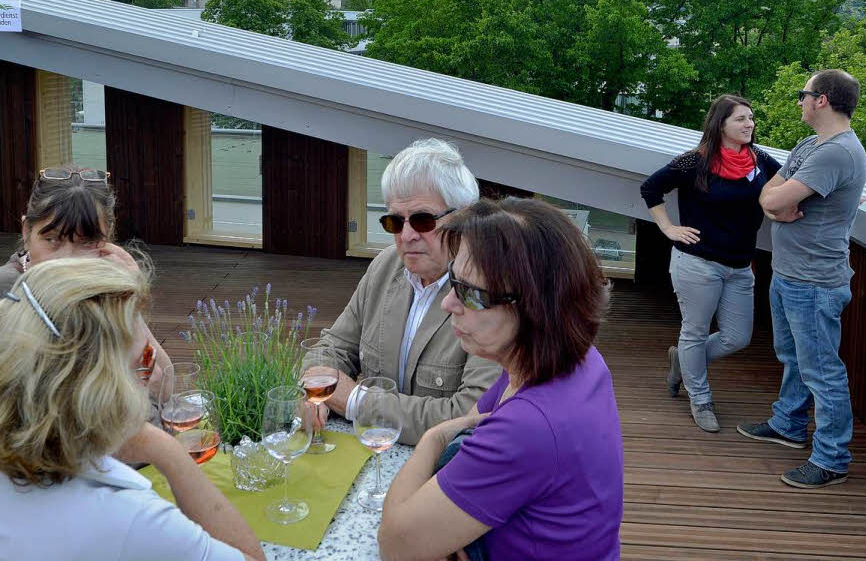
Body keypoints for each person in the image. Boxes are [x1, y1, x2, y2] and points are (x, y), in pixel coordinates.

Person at [378, 198, 623, 561]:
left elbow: (396, 545)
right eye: (452, 282)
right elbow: (477, 424)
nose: (447, 304)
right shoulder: (572, 361)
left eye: (469, 293)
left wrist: (431, 438)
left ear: (535, 308)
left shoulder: (530, 424)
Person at [0, 257, 265, 561]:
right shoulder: (127, 518)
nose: (153, 374)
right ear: (103, 386)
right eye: (145, 359)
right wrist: (167, 450)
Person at [309, 139, 500, 444]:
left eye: (423, 220)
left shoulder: (491, 291)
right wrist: (311, 388)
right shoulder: (386, 266)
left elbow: (469, 416)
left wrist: (355, 401)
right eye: (395, 221)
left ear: (464, 218)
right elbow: (333, 347)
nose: (407, 235)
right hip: (373, 454)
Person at [737, 69, 866, 489]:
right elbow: (767, 194)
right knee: (794, 358)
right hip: (792, 274)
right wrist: (775, 205)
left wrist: (775, 203)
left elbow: (774, 197)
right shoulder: (811, 145)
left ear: (823, 100)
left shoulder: (838, 153)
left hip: (814, 281)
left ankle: (831, 459)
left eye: (803, 94)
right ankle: (789, 424)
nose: (800, 101)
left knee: (822, 371)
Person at [640, 95, 781, 433]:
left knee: (737, 337)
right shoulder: (695, 162)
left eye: (750, 118)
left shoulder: (759, 160)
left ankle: (682, 361)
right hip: (697, 263)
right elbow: (651, 188)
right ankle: (700, 399)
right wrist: (668, 227)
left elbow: (791, 182)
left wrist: (836, 193)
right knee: (695, 330)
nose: (749, 124)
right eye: (740, 119)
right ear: (720, 124)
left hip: (741, 266)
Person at [0, 166, 171, 389]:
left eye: (86, 243)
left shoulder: (103, 288)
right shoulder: (7, 291)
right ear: (26, 232)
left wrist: (130, 303)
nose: (67, 259)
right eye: (52, 240)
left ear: (108, 237)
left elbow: (160, 382)